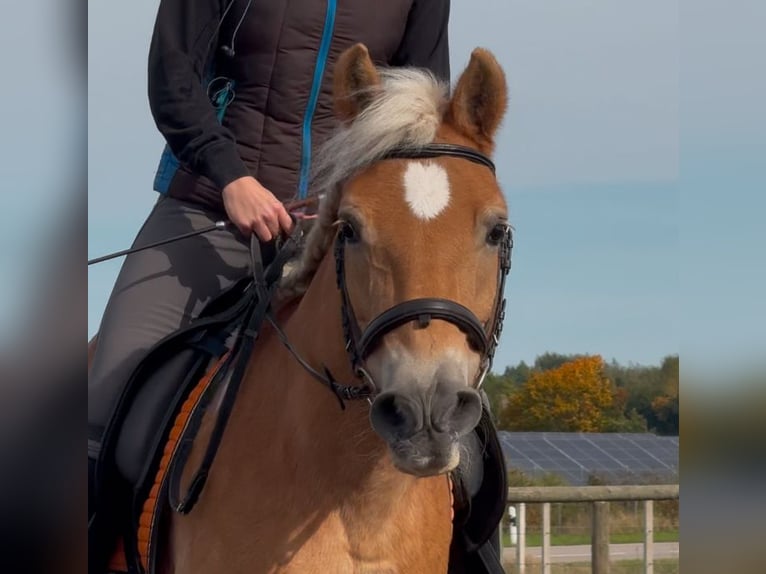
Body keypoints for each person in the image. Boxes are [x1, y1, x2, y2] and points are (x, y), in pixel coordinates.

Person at [88, 0, 451, 569]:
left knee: (449, 405)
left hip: (344, 232)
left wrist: (365, 212)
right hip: (210, 211)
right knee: (102, 398)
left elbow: (423, 105)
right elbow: (172, 73)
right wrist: (231, 177)